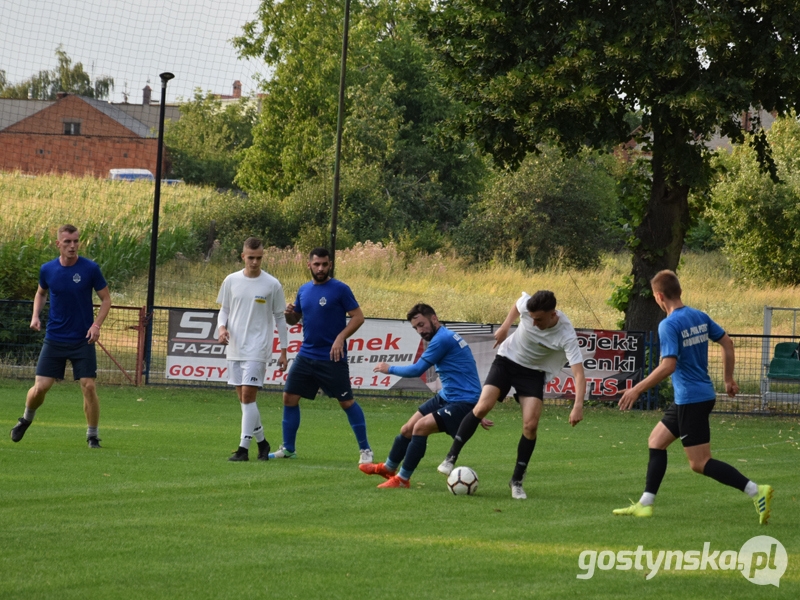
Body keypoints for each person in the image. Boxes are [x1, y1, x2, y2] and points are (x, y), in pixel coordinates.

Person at [613, 270, 773, 524]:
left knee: (699, 463)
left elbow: (668, 366)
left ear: (658, 296)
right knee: (656, 441)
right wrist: (729, 379)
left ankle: (756, 491)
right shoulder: (699, 316)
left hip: (691, 399)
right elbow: (727, 343)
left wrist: (637, 388)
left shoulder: (669, 324)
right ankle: (645, 503)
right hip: (694, 396)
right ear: (680, 292)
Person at [438, 290, 586, 500]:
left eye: (539, 319)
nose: (534, 323)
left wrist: (578, 405)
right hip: (507, 360)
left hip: (533, 372)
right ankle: (451, 457)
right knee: (482, 407)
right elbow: (518, 305)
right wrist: (506, 326)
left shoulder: (566, 334)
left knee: (531, 425)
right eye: (532, 318)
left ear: (553, 314)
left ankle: (516, 481)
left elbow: (579, 374)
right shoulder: (529, 307)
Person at [359, 304, 492, 488]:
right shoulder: (446, 335)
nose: (420, 331)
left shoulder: (442, 339)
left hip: (462, 401)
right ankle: (388, 468)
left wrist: (389, 368)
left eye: (422, 324)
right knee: (407, 429)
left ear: (434, 319)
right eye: (416, 328)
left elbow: (417, 370)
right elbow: (469, 369)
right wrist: (479, 409)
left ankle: (403, 479)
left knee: (420, 428)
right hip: (448, 396)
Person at [10, 224, 111, 448]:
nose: (73, 246)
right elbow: (40, 293)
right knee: (40, 388)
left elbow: (106, 299)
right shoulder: (47, 269)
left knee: (89, 386)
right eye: (67, 242)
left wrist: (96, 325)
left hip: (83, 338)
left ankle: (92, 436)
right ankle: (26, 419)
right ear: (58, 244)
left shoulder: (90, 269)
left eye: (76, 241)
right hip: (55, 338)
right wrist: (35, 315)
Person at [269, 248, 372, 464]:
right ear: (309, 265)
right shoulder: (303, 290)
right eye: (317, 264)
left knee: (346, 402)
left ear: (330, 265)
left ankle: (365, 450)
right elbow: (294, 320)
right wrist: (290, 314)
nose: (321, 268)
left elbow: (358, 317)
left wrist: (340, 338)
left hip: (332, 358)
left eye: (325, 264)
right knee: (289, 397)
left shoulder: (340, 289)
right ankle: (288, 449)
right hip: (307, 355)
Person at [217, 237, 288, 462]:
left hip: (258, 348)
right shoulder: (231, 280)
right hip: (235, 346)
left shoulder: (272, 284)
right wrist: (221, 329)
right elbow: (224, 310)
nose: (255, 262)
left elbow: (280, 318)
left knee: (248, 396)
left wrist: (283, 351)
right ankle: (263, 443)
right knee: (245, 400)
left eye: (258, 258)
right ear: (243, 256)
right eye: (251, 258)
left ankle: (242, 449)